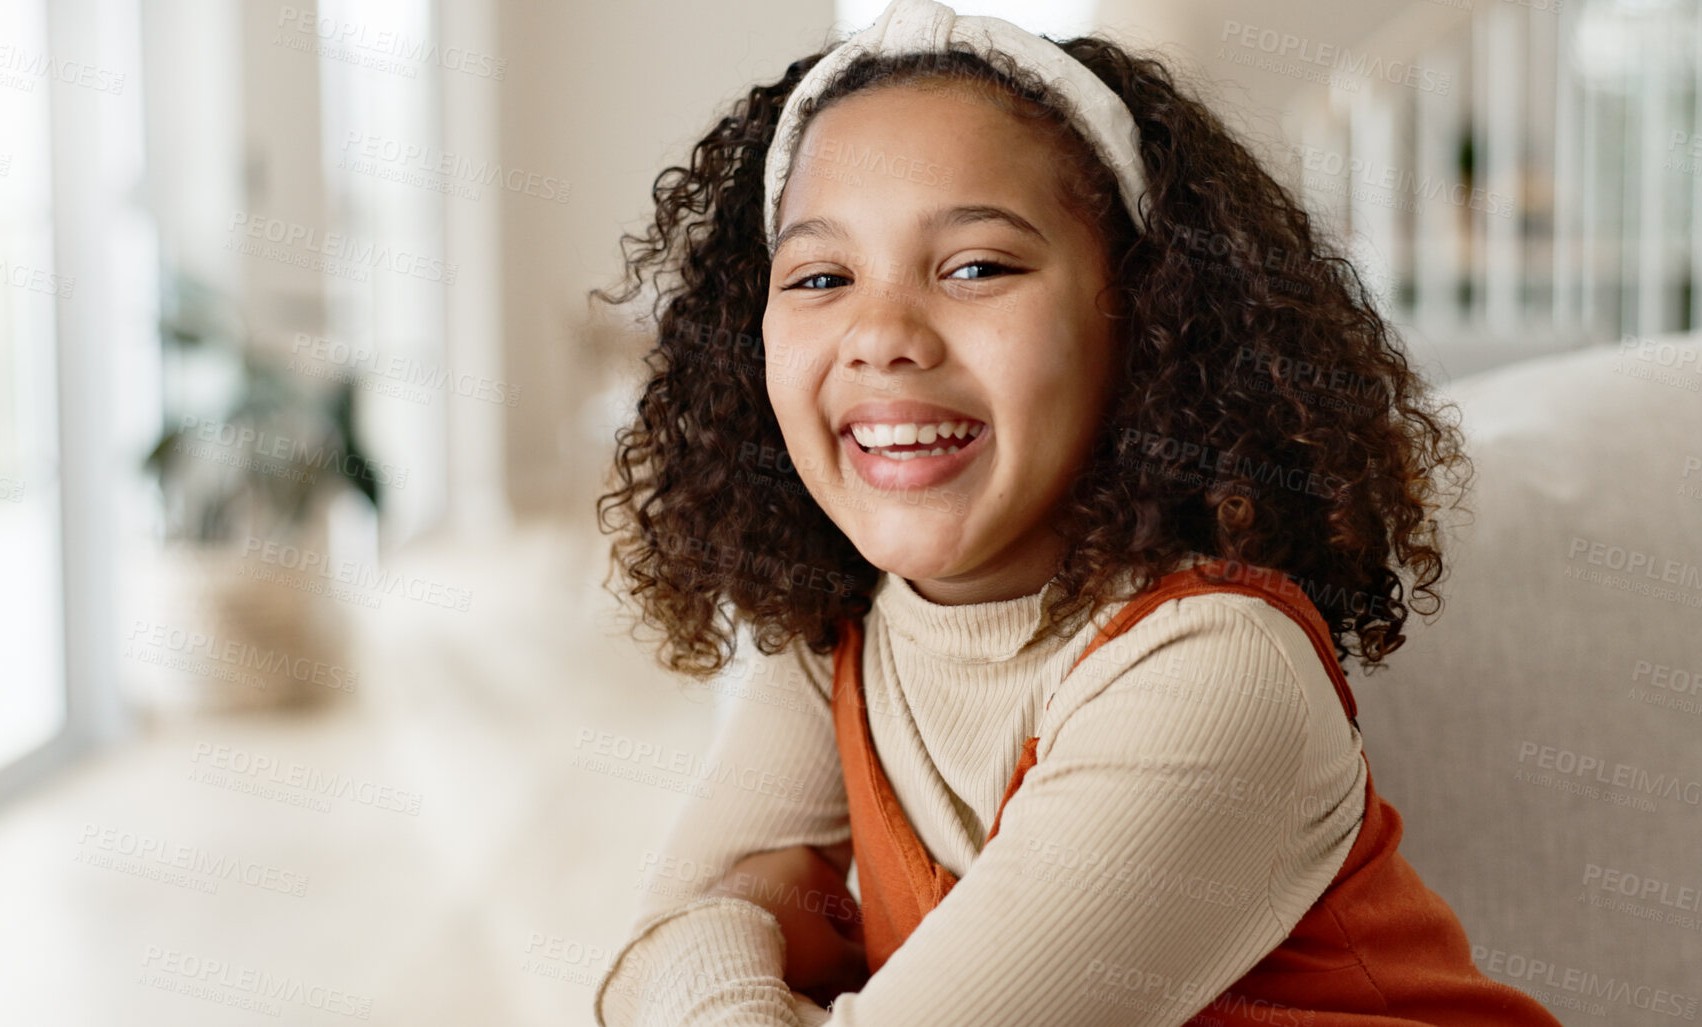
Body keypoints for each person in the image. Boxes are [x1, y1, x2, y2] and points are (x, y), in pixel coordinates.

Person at [588, 1, 1562, 1024]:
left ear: (1145, 316)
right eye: (821, 276)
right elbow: (661, 936)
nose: (881, 335)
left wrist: (743, 937)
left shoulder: (1217, 672)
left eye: (978, 267)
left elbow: (704, 946)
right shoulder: (845, 630)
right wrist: (732, 922)